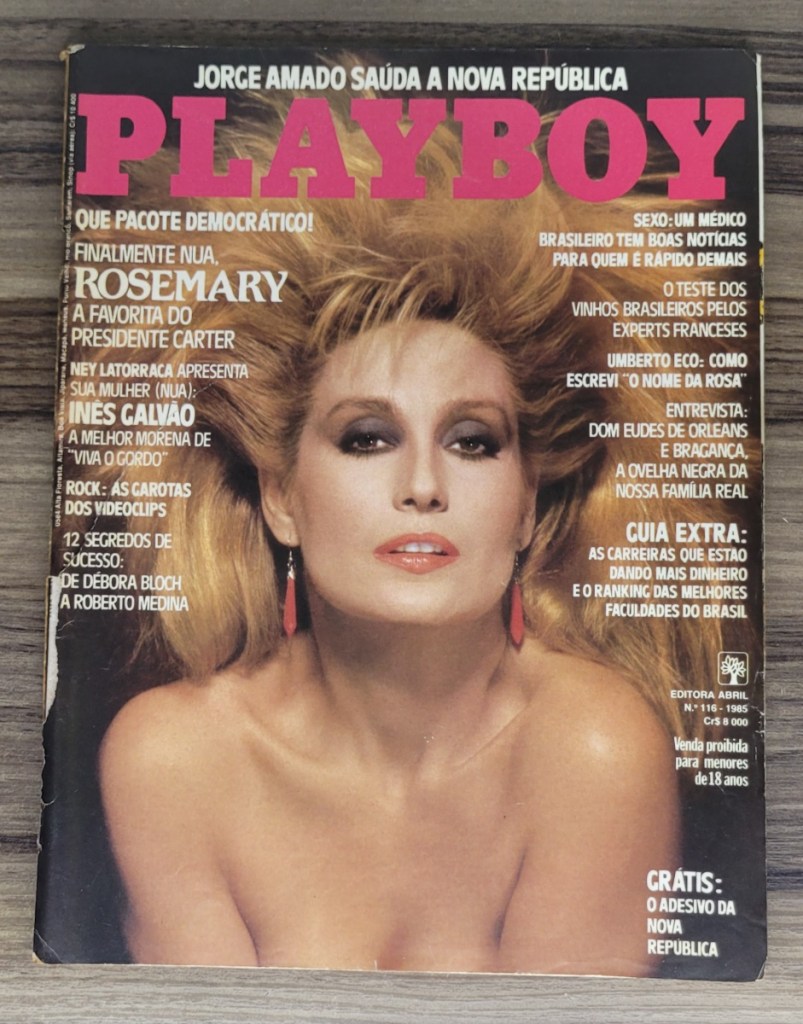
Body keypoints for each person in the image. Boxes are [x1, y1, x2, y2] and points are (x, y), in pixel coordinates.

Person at [78, 87, 751, 973]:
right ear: (280, 496)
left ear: (524, 503)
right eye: (367, 438)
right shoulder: (172, 758)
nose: (424, 486)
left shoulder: (591, 747)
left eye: (472, 442)